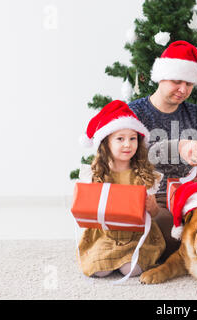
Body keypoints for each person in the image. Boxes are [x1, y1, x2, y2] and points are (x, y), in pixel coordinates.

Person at [129, 40, 197, 260]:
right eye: (177, 81)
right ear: (161, 77)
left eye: (189, 84)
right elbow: (130, 156)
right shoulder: (135, 113)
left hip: (190, 200)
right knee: (168, 235)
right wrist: (178, 147)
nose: (183, 90)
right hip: (151, 199)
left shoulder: (195, 114)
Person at [77, 100, 165, 278]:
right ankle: (107, 257)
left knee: (130, 269)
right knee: (100, 270)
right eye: (120, 139)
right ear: (106, 142)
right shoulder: (95, 174)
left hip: (136, 236)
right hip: (105, 236)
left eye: (132, 138)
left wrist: (152, 208)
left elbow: (154, 213)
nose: (127, 144)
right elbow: (89, 212)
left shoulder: (145, 175)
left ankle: (128, 259)